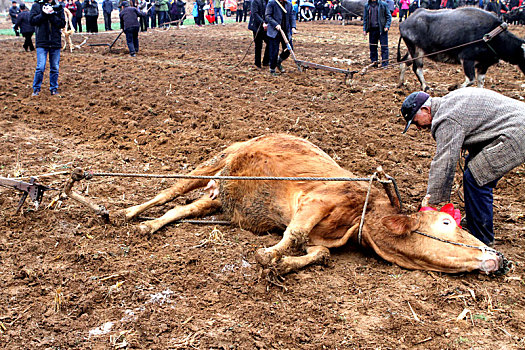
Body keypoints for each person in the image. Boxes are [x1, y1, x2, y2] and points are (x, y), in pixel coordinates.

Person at [400, 88, 525, 246]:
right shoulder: (447, 103)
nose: (418, 127)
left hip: (518, 133)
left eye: (415, 121)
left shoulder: (446, 119)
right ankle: (474, 219)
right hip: (513, 124)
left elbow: (444, 161)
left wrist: (430, 202)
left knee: (476, 179)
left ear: (425, 109)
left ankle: (482, 239)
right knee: (472, 168)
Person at [30, 0, 66, 96]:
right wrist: (44, 14)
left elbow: (62, 23)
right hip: (42, 42)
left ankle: (53, 88)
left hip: (55, 42)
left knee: (55, 67)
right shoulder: (36, 6)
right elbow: (32, 21)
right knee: (40, 67)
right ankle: (36, 89)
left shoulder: (58, 7)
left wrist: (52, 14)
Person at [265, 0, 297, 76]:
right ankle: (272, 69)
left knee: (289, 49)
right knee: (274, 52)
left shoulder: (289, 4)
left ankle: (278, 61)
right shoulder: (272, 3)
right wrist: (275, 24)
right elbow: (267, 16)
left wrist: (293, 27)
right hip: (274, 32)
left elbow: (292, 16)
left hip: (285, 32)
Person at [362, 0, 391, 67]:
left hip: (382, 30)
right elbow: (365, 18)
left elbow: (389, 16)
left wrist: (387, 26)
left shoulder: (383, 5)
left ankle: (385, 64)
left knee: (384, 47)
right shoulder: (367, 6)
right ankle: (374, 63)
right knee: (372, 47)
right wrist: (365, 29)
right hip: (372, 30)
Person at [248, 0, 269, 68]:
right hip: (256, 27)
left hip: (265, 26)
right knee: (258, 45)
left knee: (269, 42)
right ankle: (257, 63)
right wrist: (262, 22)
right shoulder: (255, 1)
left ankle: (266, 61)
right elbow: (255, 14)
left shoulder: (267, 1)